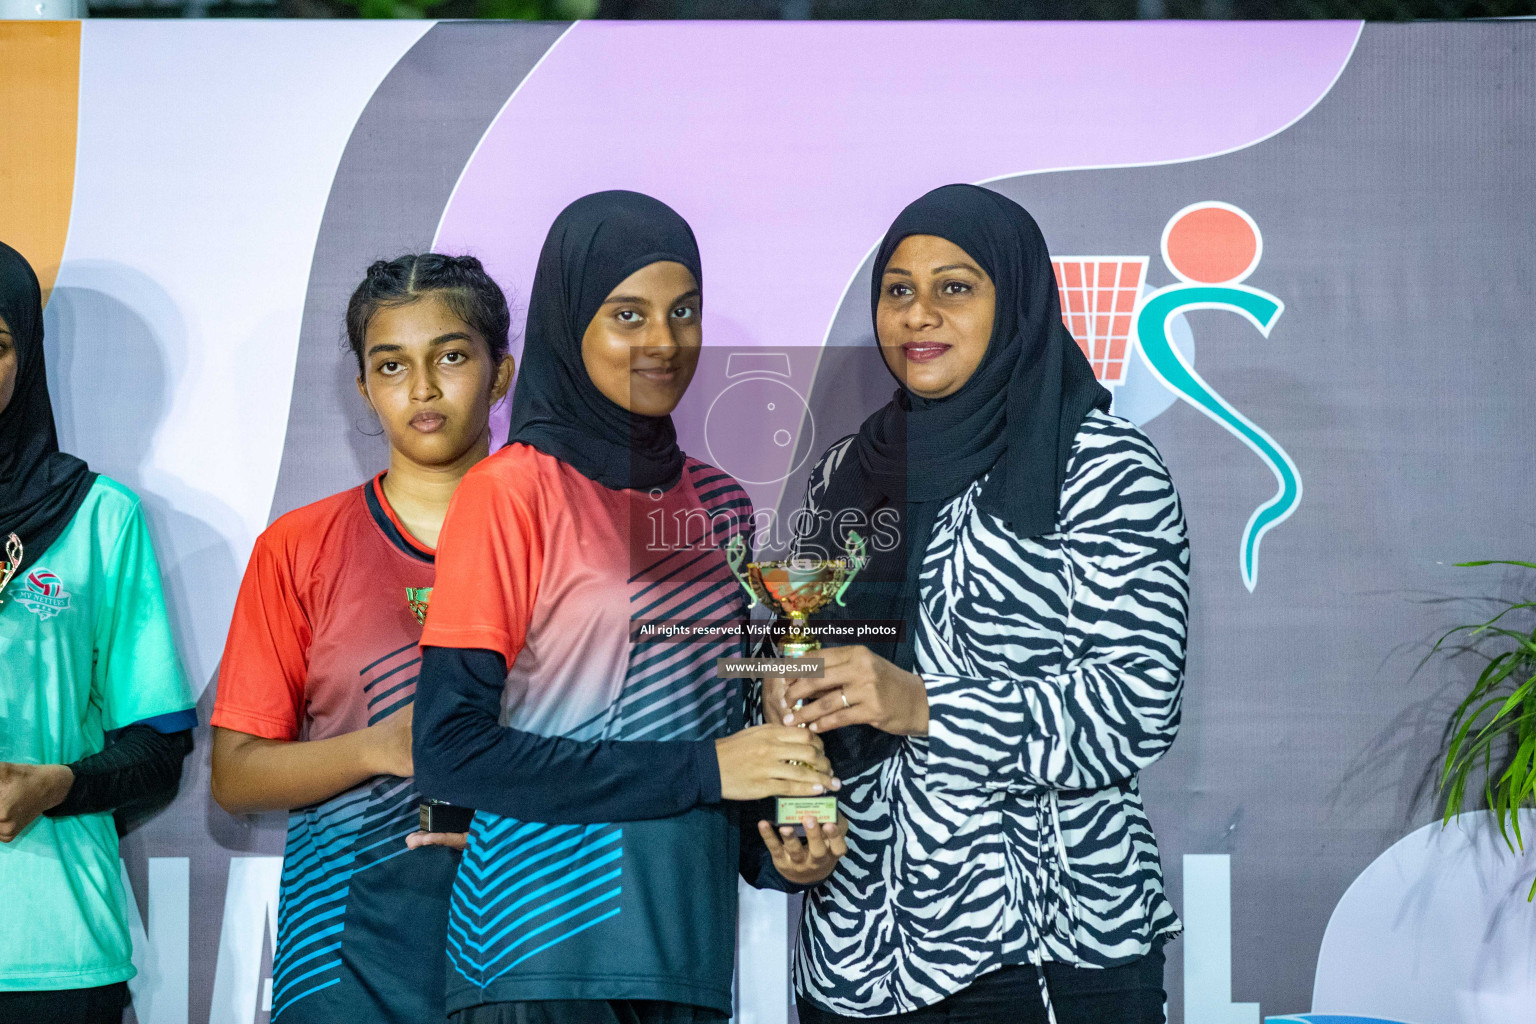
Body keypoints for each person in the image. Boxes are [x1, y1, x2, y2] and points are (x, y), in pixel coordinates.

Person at [412, 189, 846, 1024]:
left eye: (684, 311)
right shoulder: (513, 491)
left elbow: (719, 724)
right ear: (572, 324)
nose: (664, 341)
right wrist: (707, 768)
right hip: (536, 954)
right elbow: (451, 751)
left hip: (685, 952)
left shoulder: (719, 503)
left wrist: (782, 839)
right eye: (627, 314)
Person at [774, 184, 1190, 1024]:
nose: (919, 314)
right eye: (898, 290)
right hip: (854, 947)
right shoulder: (845, 473)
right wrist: (795, 810)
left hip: (1046, 941)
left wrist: (925, 703)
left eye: (954, 287)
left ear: (1016, 299)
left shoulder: (1102, 468)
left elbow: (1139, 704)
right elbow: (802, 669)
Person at [209, 254, 515, 1024]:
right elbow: (236, 776)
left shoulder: (560, 543)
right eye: (391, 365)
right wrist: (379, 748)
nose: (422, 388)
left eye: (450, 356)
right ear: (363, 388)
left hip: (526, 934)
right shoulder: (300, 546)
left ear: (501, 372)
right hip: (343, 958)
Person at [0, 241, 197, 1024]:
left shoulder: (98, 517)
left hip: (55, 955)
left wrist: (58, 785)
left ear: (26, 357)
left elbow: (156, 749)